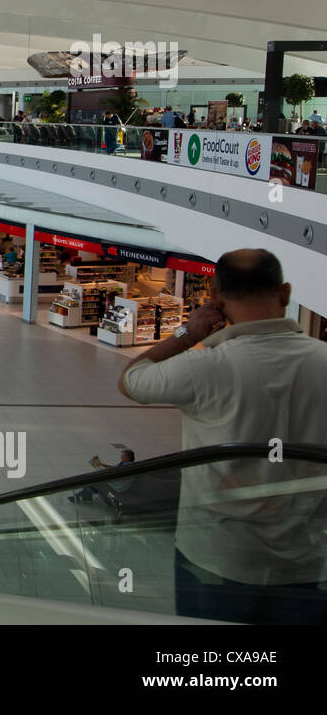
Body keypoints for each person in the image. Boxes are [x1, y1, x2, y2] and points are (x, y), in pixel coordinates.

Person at [118, 248, 327, 624]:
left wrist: (187, 333)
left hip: (214, 557)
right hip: (304, 561)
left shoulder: (205, 366)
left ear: (214, 298)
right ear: (285, 293)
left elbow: (131, 379)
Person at [70, 449, 136, 504]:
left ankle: (80, 497)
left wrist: (101, 468)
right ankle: (82, 497)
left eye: (122, 456)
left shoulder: (127, 467)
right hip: (114, 481)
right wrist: (103, 465)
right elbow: (113, 468)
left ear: (127, 458)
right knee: (94, 482)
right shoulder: (124, 463)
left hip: (117, 486)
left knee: (93, 482)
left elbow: (115, 472)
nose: (121, 457)